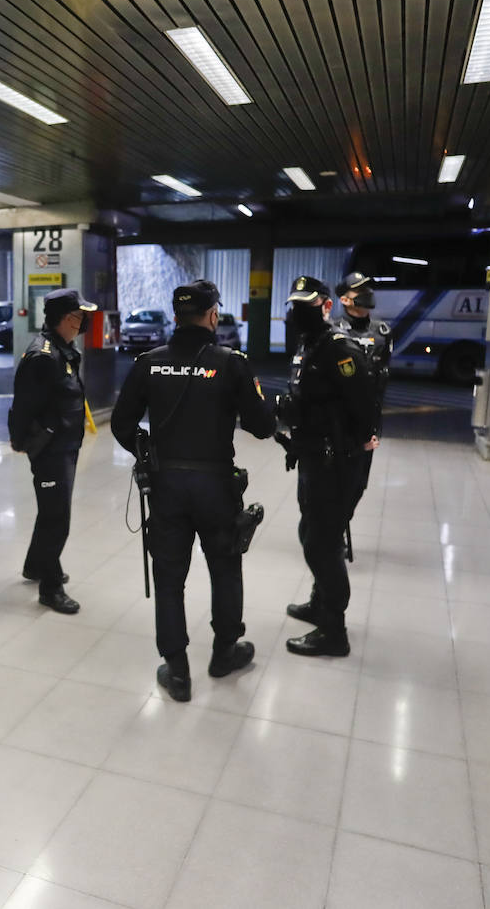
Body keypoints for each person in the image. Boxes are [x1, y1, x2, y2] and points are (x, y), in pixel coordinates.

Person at [111, 280, 276, 701]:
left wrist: (147, 457)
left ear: (176, 316)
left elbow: (121, 424)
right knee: (225, 568)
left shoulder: (149, 362)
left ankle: (178, 670)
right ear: (213, 315)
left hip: (167, 486)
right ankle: (224, 653)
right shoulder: (231, 363)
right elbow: (263, 426)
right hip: (216, 486)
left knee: (169, 579)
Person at [277, 276, 376, 657]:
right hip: (313, 457)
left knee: (323, 543)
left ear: (326, 305)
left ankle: (334, 628)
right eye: (295, 306)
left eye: (307, 305)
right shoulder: (310, 345)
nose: (299, 312)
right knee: (312, 532)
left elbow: (363, 404)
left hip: (334, 461)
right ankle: (321, 603)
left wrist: (355, 447)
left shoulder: (338, 348)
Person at [8, 288, 97, 614]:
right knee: (57, 518)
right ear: (65, 318)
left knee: (51, 511)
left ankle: (36, 565)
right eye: (79, 316)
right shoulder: (44, 357)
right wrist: (20, 441)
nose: (83, 322)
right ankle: (50, 587)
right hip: (51, 450)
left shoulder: (64, 351)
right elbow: (23, 405)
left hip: (65, 445)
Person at [332, 271, 391, 519]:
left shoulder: (382, 332)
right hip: (337, 417)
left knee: (358, 483)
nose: (367, 296)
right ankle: (329, 530)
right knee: (333, 479)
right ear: (345, 300)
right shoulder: (332, 330)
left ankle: (341, 521)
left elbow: (383, 375)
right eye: (360, 292)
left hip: (367, 419)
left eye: (368, 291)